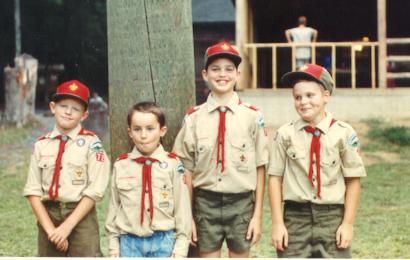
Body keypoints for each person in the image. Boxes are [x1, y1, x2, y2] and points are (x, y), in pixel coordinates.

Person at [173, 41, 269, 258]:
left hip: (242, 203)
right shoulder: (194, 118)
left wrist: (257, 216)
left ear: (238, 74)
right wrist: (188, 217)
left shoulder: (252, 117)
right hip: (205, 202)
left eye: (229, 69)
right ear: (205, 74)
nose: (222, 75)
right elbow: (185, 169)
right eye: (215, 69)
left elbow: (261, 166)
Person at [268, 64, 366, 258]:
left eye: (310, 95)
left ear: (326, 95)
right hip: (295, 219)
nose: (303, 102)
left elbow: (353, 179)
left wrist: (347, 224)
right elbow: (275, 178)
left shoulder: (343, 133)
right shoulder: (285, 134)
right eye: (297, 97)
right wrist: (278, 224)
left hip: (332, 218)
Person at [23, 80, 110, 256]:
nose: (68, 112)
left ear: (84, 115)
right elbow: (33, 191)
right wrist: (51, 231)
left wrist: (66, 228)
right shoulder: (41, 145)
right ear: (53, 107)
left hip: (80, 216)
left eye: (76, 109)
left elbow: (95, 190)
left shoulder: (92, 144)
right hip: (49, 215)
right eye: (63, 106)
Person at [105, 101, 192, 257]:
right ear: (130, 132)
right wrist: (113, 245)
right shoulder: (121, 165)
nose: (143, 135)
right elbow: (113, 208)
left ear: (162, 131)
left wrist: (181, 247)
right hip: (129, 242)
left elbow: (182, 208)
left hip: (164, 241)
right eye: (137, 129)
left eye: (150, 129)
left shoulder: (173, 164)